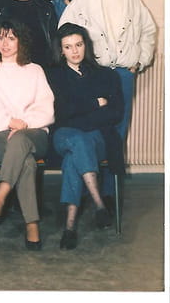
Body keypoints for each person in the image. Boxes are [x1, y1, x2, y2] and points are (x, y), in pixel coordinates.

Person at [59, 0, 156, 198]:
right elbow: (65, 29)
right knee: (87, 129)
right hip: (93, 73)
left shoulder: (134, 3)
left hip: (122, 75)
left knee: (117, 131)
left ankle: (110, 193)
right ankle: (85, 190)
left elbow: (149, 32)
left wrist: (139, 61)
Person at [46, 23, 124, 250]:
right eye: (68, 47)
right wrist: (94, 104)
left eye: (78, 44)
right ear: (61, 50)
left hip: (96, 139)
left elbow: (115, 113)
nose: (75, 51)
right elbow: (59, 112)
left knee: (76, 154)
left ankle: (69, 228)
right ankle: (99, 204)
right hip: (63, 137)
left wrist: (77, 113)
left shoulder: (105, 75)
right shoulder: (53, 76)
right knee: (78, 141)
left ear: (86, 45)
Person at [0, 20, 55, 251]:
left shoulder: (35, 70)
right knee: (27, 163)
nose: (5, 43)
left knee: (21, 139)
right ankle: (32, 224)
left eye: (11, 38)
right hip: (0, 134)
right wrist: (9, 122)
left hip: (34, 132)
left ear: (21, 41)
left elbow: (46, 107)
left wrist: (25, 123)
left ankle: (0, 195)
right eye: (0, 38)